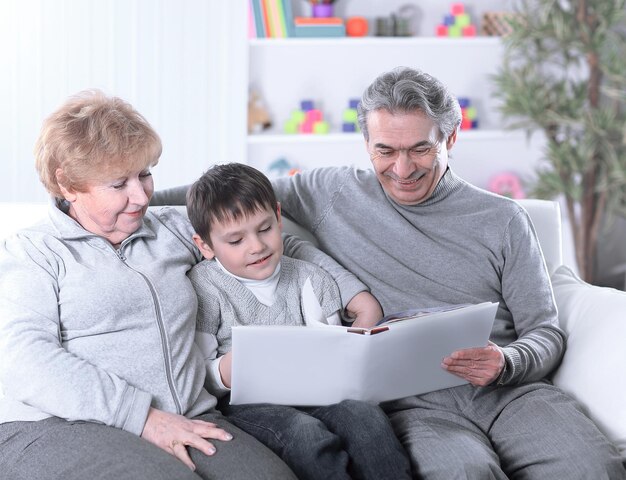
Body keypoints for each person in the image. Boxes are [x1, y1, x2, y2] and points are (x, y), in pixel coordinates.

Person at [267, 67, 626, 479]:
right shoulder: (332, 193)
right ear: (366, 144)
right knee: (463, 473)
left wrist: (507, 362)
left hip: (512, 394)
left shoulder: (505, 219)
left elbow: (545, 332)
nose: (402, 169)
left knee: (591, 469)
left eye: (421, 149)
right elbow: (225, 197)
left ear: (450, 138)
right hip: (414, 407)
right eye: (385, 150)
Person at [0, 91, 297, 480]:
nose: (141, 196)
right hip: (57, 424)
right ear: (68, 184)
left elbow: (270, 238)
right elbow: (23, 360)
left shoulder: (172, 230)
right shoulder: (34, 252)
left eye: (144, 174)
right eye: (118, 183)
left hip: (188, 414)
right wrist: (142, 417)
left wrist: (349, 291)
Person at [185, 163, 412, 480]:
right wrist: (228, 370)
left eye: (264, 229)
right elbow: (195, 373)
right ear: (206, 246)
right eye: (236, 241)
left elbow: (338, 348)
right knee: (305, 433)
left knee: (366, 418)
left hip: (316, 392)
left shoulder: (311, 277)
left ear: (278, 218)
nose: (256, 246)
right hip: (247, 404)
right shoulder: (204, 287)